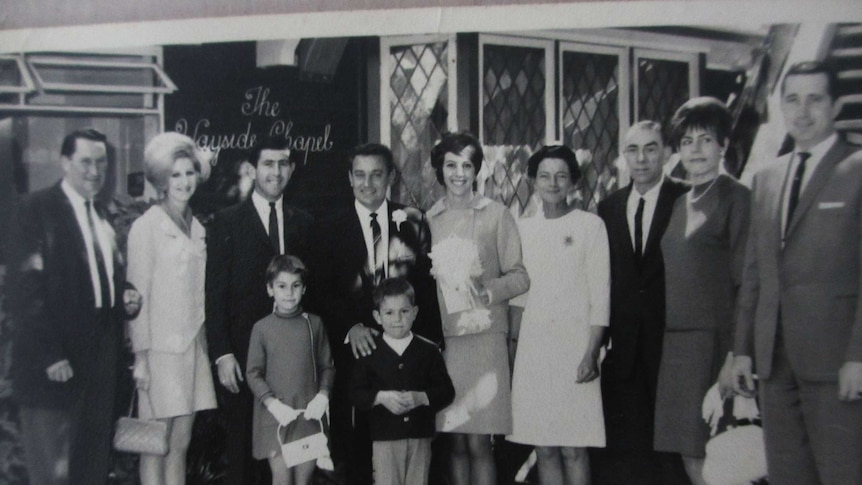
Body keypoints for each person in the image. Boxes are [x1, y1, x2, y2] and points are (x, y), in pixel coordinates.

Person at [732, 61, 862, 485]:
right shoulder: (767, 177)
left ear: (837, 104)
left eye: (814, 99)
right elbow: (755, 271)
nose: (802, 111)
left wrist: (858, 356)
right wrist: (744, 350)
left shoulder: (857, 168)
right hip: (774, 363)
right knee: (788, 476)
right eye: (792, 99)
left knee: (843, 474)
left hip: (835, 363)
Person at [6, 128, 141, 485]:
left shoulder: (101, 217)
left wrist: (124, 295)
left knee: (91, 469)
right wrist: (51, 355)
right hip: (54, 370)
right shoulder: (35, 210)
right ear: (65, 163)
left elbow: (92, 284)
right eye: (85, 162)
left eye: (101, 162)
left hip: (98, 370)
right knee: (53, 474)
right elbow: (25, 290)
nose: (95, 171)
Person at [312, 143, 440, 485]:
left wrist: (428, 347)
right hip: (357, 353)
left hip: (405, 352)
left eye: (376, 174)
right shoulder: (328, 227)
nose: (368, 183)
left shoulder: (414, 221)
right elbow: (320, 291)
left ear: (391, 178)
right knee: (355, 449)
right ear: (350, 178)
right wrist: (349, 327)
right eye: (360, 175)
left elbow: (425, 289)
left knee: (407, 449)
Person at [205, 136, 314, 485]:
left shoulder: (304, 222)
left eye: (283, 164)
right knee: (242, 445)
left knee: (289, 444)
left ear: (292, 170)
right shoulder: (226, 222)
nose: (276, 171)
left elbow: (315, 294)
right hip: (242, 354)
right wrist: (222, 353)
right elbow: (215, 292)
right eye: (268, 163)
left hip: (293, 358)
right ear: (252, 169)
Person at [652, 97, 750, 485]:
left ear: (724, 145)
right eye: (687, 141)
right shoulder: (679, 203)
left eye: (705, 140)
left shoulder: (737, 198)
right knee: (690, 455)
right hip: (677, 348)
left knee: (723, 455)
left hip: (717, 346)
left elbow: (748, 283)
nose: (695, 150)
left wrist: (735, 353)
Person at [426, 131, 529, 485]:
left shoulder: (496, 215)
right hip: (447, 341)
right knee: (454, 441)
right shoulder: (431, 218)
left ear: (477, 171)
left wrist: (486, 290)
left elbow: (520, 277)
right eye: (451, 165)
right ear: (440, 169)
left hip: (485, 338)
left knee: (481, 443)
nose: (458, 173)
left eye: (466, 165)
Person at [507, 145, 609, 484]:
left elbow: (600, 297)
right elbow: (517, 300)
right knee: (545, 447)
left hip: (576, 352)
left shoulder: (590, 226)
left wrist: (591, 352)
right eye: (545, 176)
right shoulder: (521, 229)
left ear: (573, 182)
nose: (553, 183)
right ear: (532, 181)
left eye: (561, 176)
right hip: (534, 354)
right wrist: (511, 355)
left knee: (574, 448)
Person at [596, 121, 689, 485]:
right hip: (625, 349)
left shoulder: (685, 198)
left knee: (673, 451)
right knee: (630, 451)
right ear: (623, 157)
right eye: (633, 150)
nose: (642, 158)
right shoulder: (609, 207)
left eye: (651, 148)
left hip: (673, 344)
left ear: (666, 153)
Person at [126, 132, 217, 485]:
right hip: (159, 352)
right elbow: (135, 299)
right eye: (175, 175)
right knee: (154, 444)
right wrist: (142, 359)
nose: (183, 182)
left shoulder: (196, 228)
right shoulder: (145, 227)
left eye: (189, 173)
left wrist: (205, 348)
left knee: (181, 442)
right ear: (162, 180)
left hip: (192, 349)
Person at [349, 277, 455, 485]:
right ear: (377, 317)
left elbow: (446, 391)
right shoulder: (369, 351)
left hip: (420, 437)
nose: (397, 319)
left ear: (415, 312)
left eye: (404, 311)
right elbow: (355, 393)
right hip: (385, 439)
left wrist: (422, 398)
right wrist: (380, 397)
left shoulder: (429, 351)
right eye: (389, 313)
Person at [246, 255, 335, 485]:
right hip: (276, 418)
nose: (289, 293)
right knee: (282, 479)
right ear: (269, 289)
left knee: (303, 481)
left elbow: (327, 365)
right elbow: (253, 373)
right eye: (281, 286)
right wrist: (272, 404)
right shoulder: (262, 328)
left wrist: (323, 396)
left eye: (296, 286)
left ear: (304, 288)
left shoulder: (314, 324)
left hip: (307, 415)